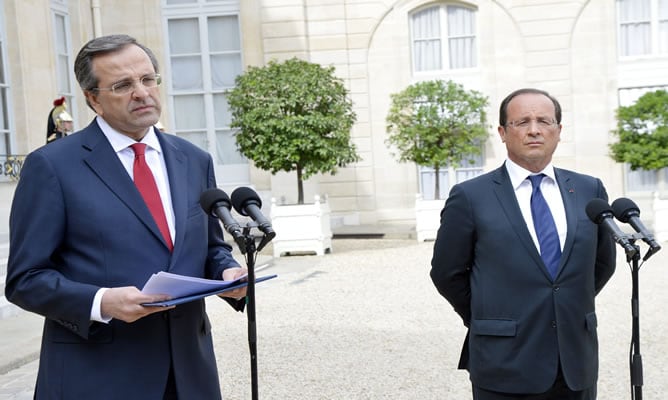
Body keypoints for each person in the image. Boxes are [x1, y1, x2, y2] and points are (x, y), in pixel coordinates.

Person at [5, 34, 248, 399]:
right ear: (93, 99)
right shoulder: (52, 167)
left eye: (148, 79)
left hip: (189, 375)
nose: (141, 92)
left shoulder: (194, 160)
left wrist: (227, 272)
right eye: (123, 85)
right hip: (97, 377)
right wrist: (101, 301)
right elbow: (25, 279)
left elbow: (211, 249)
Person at [430, 88, 617, 399]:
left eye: (544, 121)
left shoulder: (589, 190)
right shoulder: (471, 196)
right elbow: (447, 273)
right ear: (503, 132)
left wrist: (561, 306)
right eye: (522, 122)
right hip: (504, 363)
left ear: (558, 131)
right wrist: (488, 317)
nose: (534, 130)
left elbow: (602, 263)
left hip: (575, 363)